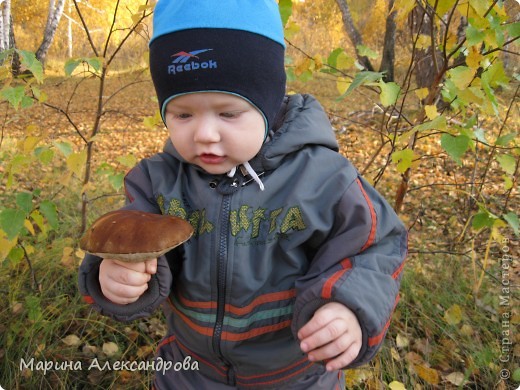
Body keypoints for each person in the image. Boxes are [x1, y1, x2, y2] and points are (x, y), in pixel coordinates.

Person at [78, 0, 408, 388]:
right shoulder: (157, 182)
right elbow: (126, 240)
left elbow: (376, 246)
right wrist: (115, 274)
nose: (204, 133)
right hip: (188, 371)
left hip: (295, 374)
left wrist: (350, 304)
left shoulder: (323, 179)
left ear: (268, 105)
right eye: (183, 114)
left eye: (229, 113)